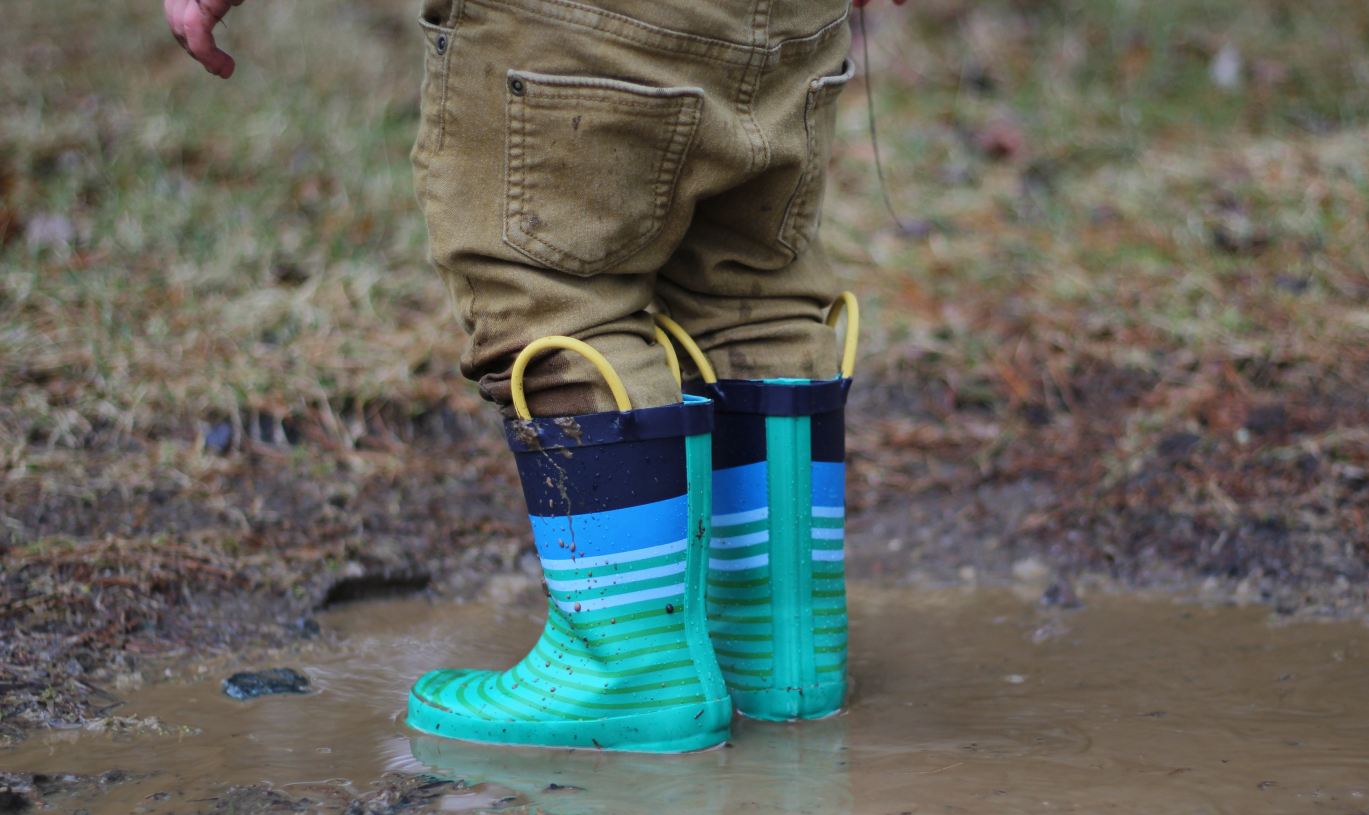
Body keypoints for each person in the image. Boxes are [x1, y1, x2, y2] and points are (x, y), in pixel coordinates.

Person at [164, 0, 905, 752]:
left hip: (570, 23)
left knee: (556, 296)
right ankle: (782, 653)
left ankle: (625, 673)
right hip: (786, 24)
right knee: (751, 296)